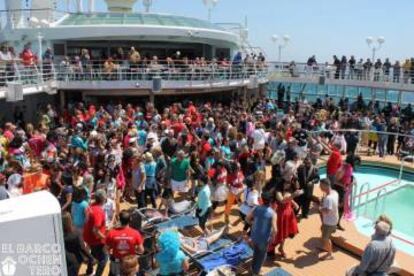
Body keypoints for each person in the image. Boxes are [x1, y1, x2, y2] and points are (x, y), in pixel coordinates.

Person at [246, 192, 277, 276]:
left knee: (256, 252)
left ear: (262, 200)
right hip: (263, 239)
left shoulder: (256, 208)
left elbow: (247, 218)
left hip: (254, 236)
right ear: (271, 201)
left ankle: (253, 268)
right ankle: (256, 272)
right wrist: (273, 237)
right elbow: (275, 229)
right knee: (262, 256)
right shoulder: (273, 213)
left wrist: (253, 224)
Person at [106, 210, 144, 276]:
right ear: (130, 219)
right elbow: (141, 250)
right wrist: (134, 250)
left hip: (116, 263)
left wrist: (111, 253)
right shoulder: (136, 233)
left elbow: (105, 249)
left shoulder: (111, 233)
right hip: (130, 264)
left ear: (119, 220)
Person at [84, 189, 108, 276]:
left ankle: (89, 271)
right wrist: (105, 238)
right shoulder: (98, 211)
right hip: (95, 239)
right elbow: (95, 230)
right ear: (103, 199)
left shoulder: (91, 206)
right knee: (104, 259)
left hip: (87, 236)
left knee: (93, 254)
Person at [62, 212, 94, 276]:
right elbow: (82, 248)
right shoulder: (76, 233)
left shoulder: (58, 234)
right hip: (74, 260)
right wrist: (91, 257)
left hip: (64, 260)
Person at [318, 178, 339, 261]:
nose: (319, 187)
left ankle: (330, 254)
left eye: (320, 186)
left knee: (325, 238)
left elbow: (327, 211)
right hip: (333, 219)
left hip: (329, 222)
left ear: (325, 186)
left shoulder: (329, 198)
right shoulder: (335, 192)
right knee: (323, 231)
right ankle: (325, 247)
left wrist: (319, 208)